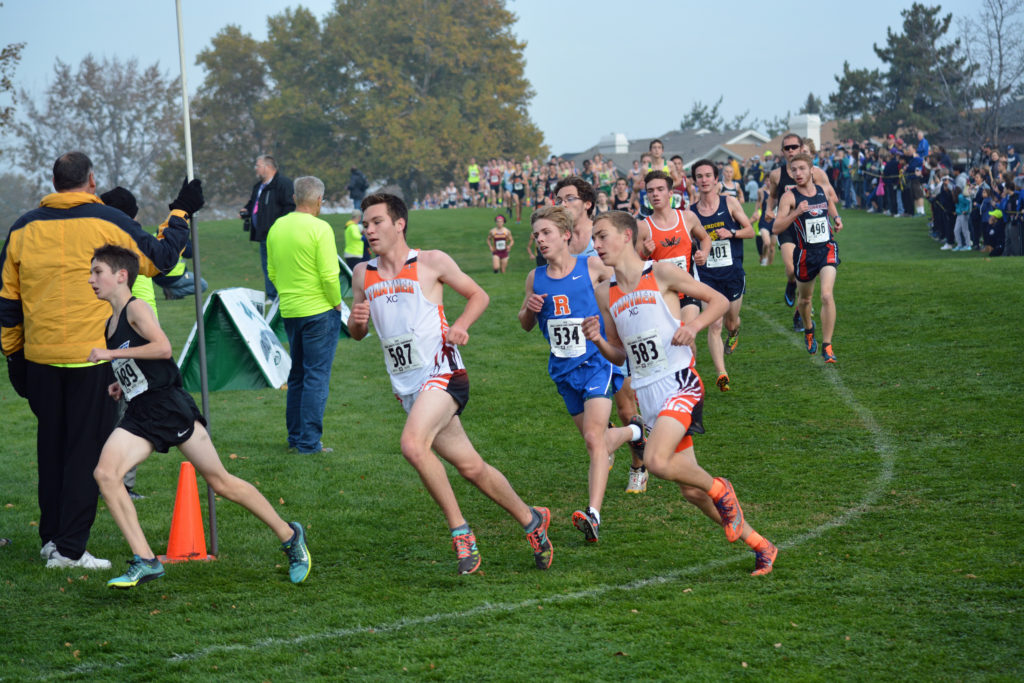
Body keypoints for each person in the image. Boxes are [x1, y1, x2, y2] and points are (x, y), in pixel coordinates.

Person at [0, 152, 199, 569]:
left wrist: (14, 356)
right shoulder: (109, 220)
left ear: (54, 182)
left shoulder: (23, 228)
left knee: (51, 448)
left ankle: (52, 539)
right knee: (85, 453)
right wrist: (180, 210)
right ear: (91, 180)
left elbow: (7, 303)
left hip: (39, 358)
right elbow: (161, 259)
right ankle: (69, 550)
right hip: (92, 359)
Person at [348, 193, 552, 575]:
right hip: (408, 387)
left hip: (444, 374)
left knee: (412, 445)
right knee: (471, 467)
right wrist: (358, 319)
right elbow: (357, 332)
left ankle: (461, 533)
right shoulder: (363, 274)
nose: (368, 229)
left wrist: (460, 325)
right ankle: (532, 520)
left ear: (399, 224)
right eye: (365, 223)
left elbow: (479, 294)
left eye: (376, 222)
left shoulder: (431, 262)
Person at [86, 245, 310, 588]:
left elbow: (163, 348)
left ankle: (289, 535)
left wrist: (109, 353)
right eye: (91, 273)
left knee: (220, 481)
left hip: (169, 407)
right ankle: (145, 560)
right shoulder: (110, 321)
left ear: (121, 275)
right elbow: (139, 360)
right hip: (140, 412)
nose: (91, 280)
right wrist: (120, 380)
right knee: (105, 474)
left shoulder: (137, 309)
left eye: (97, 272)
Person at [583, 210, 778, 576]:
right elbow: (619, 352)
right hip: (650, 395)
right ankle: (761, 544)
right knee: (690, 490)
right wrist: (597, 340)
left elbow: (717, 300)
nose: (596, 244)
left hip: (680, 382)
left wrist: (697, 326)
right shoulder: (604, 292)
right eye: (594, 238)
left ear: (626, 236)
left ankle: (722, 490)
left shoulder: (659, 273)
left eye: (602, 236)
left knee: (656, 463)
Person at [518, 206, 646, 541]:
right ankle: (635, 433)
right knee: (598, 441)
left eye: (546, 233)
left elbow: (623, 285)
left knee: (593, 439)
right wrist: (529, 311)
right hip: (563, 370)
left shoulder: (590, 266)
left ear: (565, 235)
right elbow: (525, 323)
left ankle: (593, 514)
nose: (541, 240)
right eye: (536, 235)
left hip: (597, 364)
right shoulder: (536, 277)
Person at [557, 177, 647, 494]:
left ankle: (639, 466)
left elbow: (626, 279)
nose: (562, 204)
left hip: (608, 338)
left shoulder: (603, 237)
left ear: (587, 204)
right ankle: (604, 446)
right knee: (592, 423)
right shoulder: (558, 242)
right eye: (558, 199)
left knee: (626, 410)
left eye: (568, 198)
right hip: (575, 343)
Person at [266, 177, 342, 455]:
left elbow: (271, 272)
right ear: (319, 200)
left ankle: (296, 437)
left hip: (290, 309)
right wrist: (336, 303)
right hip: (319, 310)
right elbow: (329, 275)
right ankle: (309, 443)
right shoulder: (320, 228)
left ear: (296, 198)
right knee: (316, 376)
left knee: (297, 375)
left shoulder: (277, 227)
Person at [691, 160, 755, 392]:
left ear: (716, 179)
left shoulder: (729, 202)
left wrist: (732, 232)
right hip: (707, 276)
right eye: (700, 176)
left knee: (729, 321)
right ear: (695, 181)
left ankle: (735, 331)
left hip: (732, 273)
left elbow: (750, 231)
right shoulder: (691, 212)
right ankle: (722, 373)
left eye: (708, 175)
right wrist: (697, 255)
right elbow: (689, 244)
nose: (704, 180)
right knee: (715, 322)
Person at [772, 153, 842, 363]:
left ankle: (828, 345)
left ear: (812, 170)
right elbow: (776, 227)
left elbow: (829, 203)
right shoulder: (790, 197)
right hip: (804, 254)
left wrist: (836, 218)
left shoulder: (821, 189)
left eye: (802, 169)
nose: (798, 173)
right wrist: (796, 213)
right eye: (794, 170)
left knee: (827, 295)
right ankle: (809, 329)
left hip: (827, 249)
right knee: (805, 300)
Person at [765, 133, 838, 332]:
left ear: (800, 148)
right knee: (792, 270)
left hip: (811, 229)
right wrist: (768, 209)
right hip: (788, 226)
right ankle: (792, 283)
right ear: (782, 152)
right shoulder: (777, 175)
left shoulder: (816, 172)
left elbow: (830, 196)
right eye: (786, 148)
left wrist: (836, 216)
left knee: (808, 279)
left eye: (794, 147)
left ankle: (800, 313)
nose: (790, 151)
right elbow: (771, 196)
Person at [241, 155, 295, 302]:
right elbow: (253, 203)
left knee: (281, 264)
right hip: (263, 234)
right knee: (267, 266)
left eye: (258, 166)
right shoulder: (258, 186)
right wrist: (246, 210)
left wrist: (280, 225)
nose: (256, 169)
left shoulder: (283, 184)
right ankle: (272, 296)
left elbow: (290, 206)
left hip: (279, 234)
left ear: (267, 167)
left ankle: (284, 294)